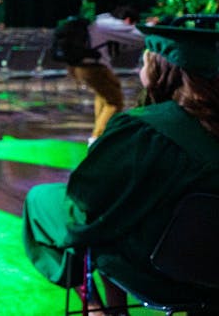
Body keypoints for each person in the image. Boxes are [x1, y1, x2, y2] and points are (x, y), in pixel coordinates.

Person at [23, 18, 219, 313]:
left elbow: (83, 211)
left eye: (144, 63)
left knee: (44, 201)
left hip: (155, 272)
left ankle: (95, 305)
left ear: (161, 70)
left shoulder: (144, 130)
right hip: (210, 268)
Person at [68, 6, 145, 142]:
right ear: (128, 20)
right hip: (93, 68)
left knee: (106, 94)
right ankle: (97, 139)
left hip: (80, 66)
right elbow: (139, 36)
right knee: (115, 102)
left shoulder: (99, 21)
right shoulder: (110, 24)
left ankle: (100, 133)